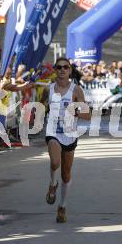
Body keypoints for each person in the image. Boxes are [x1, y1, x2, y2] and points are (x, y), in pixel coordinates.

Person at [44, 57, 91, 223]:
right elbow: (41, 107)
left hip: (70, 133)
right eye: (59, 67)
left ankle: (62, 206)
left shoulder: (76, 90)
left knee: (66, 174)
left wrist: (76, 112)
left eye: (66, 67)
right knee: (55, 162)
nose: (62, 70)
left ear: (70, 71)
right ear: (55, 70)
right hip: (53, 131)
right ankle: (52, 183)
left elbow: (87, 114)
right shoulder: (48, 89)